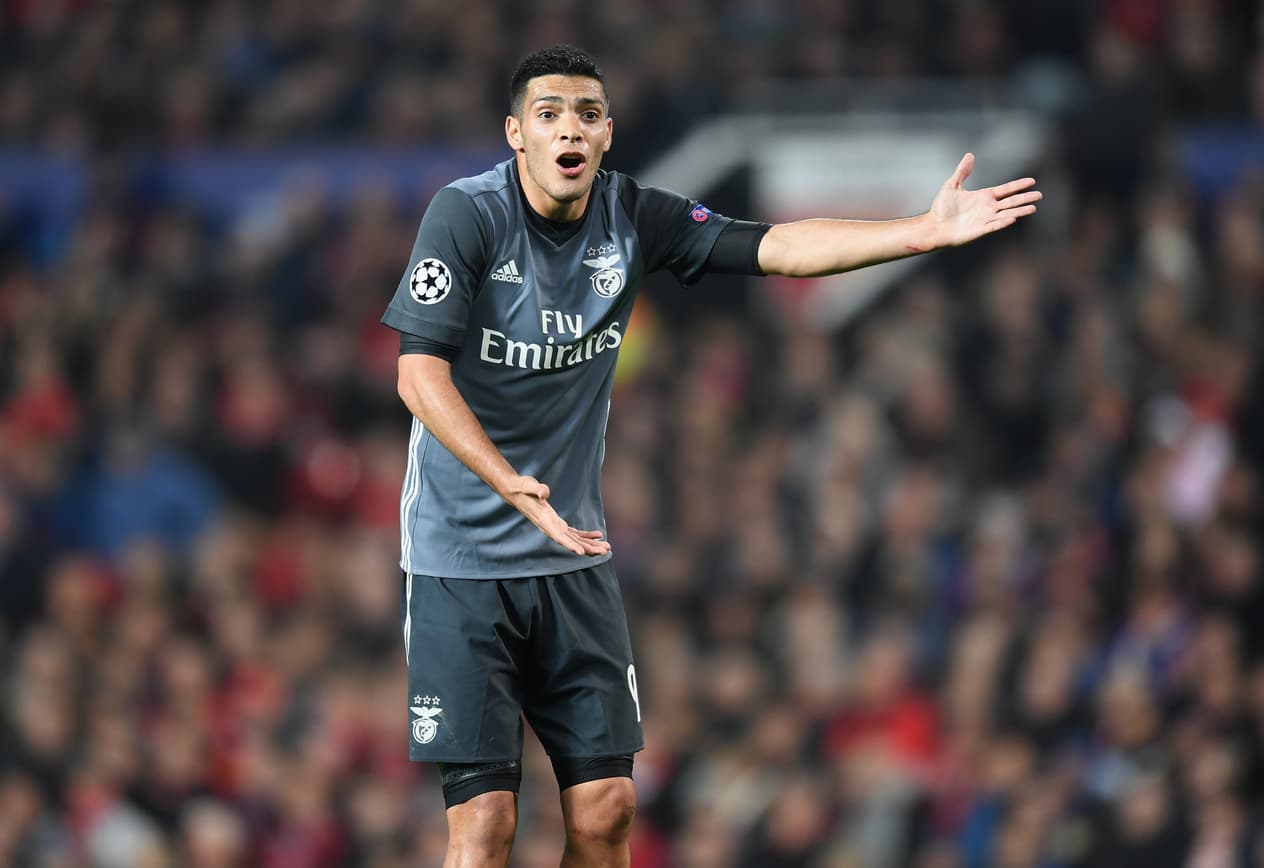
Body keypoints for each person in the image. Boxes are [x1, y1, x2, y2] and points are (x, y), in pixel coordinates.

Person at [381, 44, 1040, 868]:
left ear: (608, 134)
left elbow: (777, 246)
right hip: (459, 560)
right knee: (485, 826)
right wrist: (505, 478)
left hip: (568, 553)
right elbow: (417, 373)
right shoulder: (466, 216)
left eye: (587, 113)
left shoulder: (633, 217)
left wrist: (922, 232)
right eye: (548, 114)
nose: (568, 128)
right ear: (516, 134)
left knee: (608, 809)